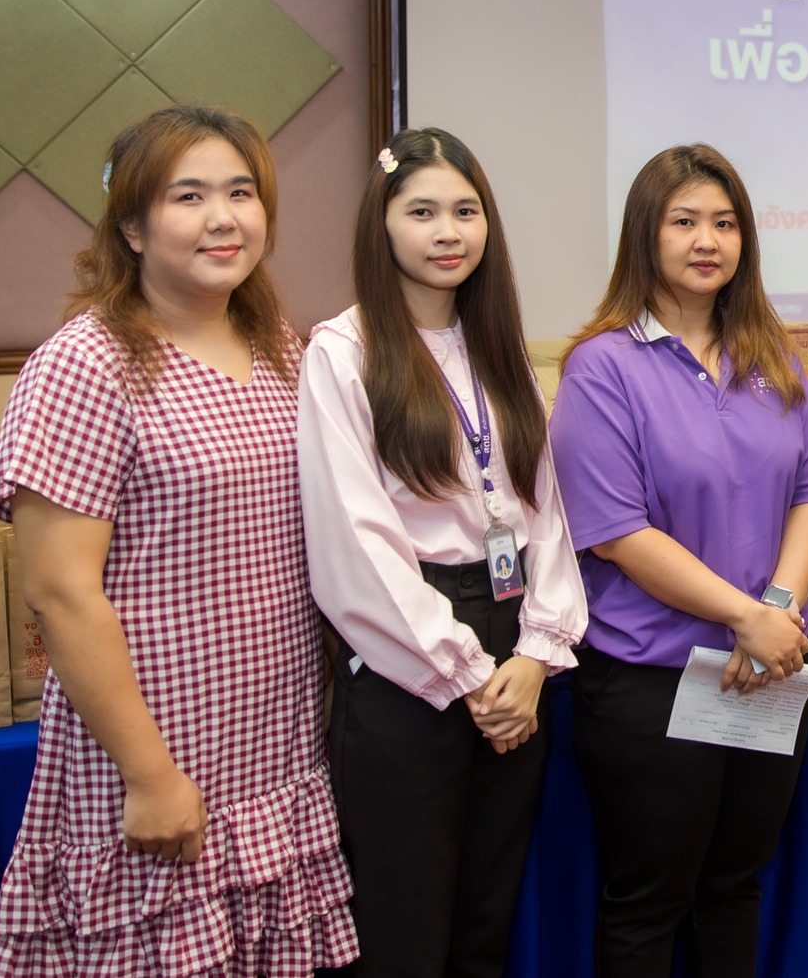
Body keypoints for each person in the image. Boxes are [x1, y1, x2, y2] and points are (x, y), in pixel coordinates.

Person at [0, 105, 358, 976]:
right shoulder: (85, 363)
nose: (224, 217)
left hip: (274, 750)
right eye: (189, 196)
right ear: (132, 226)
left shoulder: (279, 347)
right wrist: (149, 775)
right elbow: (60, 591)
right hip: (156, 753)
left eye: (241, 192)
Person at [298, 127, 588, 977]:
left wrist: (536, 652)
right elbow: (355, 542)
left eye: (466, 211)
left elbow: (546, 513)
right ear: (381, 223)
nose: (447, 232)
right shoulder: (343, 352)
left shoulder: (498, 345)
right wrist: (465, 671)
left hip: (514, 644)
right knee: (403, 928)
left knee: (485, 917)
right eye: (421, 211)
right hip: (408, 652)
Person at [552, 143, 808, 978]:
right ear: (647, 233)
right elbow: (618, 531)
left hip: (768, 664)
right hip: (655, 678)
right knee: (649, 902)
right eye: (684, 221)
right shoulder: (603, 365)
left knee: (734, 888)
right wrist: (747, 615)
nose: (707, 240)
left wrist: (775, 612)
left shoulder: (773, 355)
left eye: (724, 222)